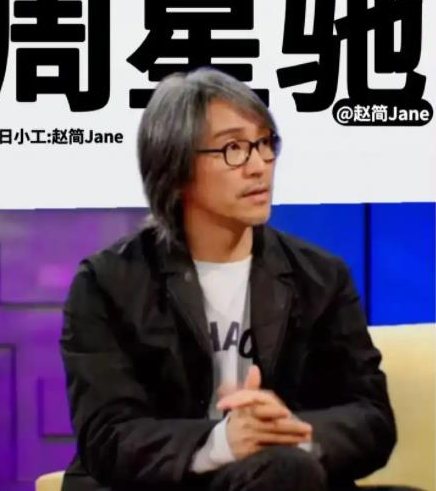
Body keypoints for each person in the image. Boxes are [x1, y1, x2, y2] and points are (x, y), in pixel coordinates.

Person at [60, 68, 410, 491]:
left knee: (285, 471)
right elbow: (107, 435)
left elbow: (371, 417)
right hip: (164, 483)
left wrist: (289, 433)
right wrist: (223, 442)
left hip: (285, 477)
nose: (259, 166)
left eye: (264, 144)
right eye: (233, 148)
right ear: (175, 167)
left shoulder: (320, 277)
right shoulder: (108, 283)